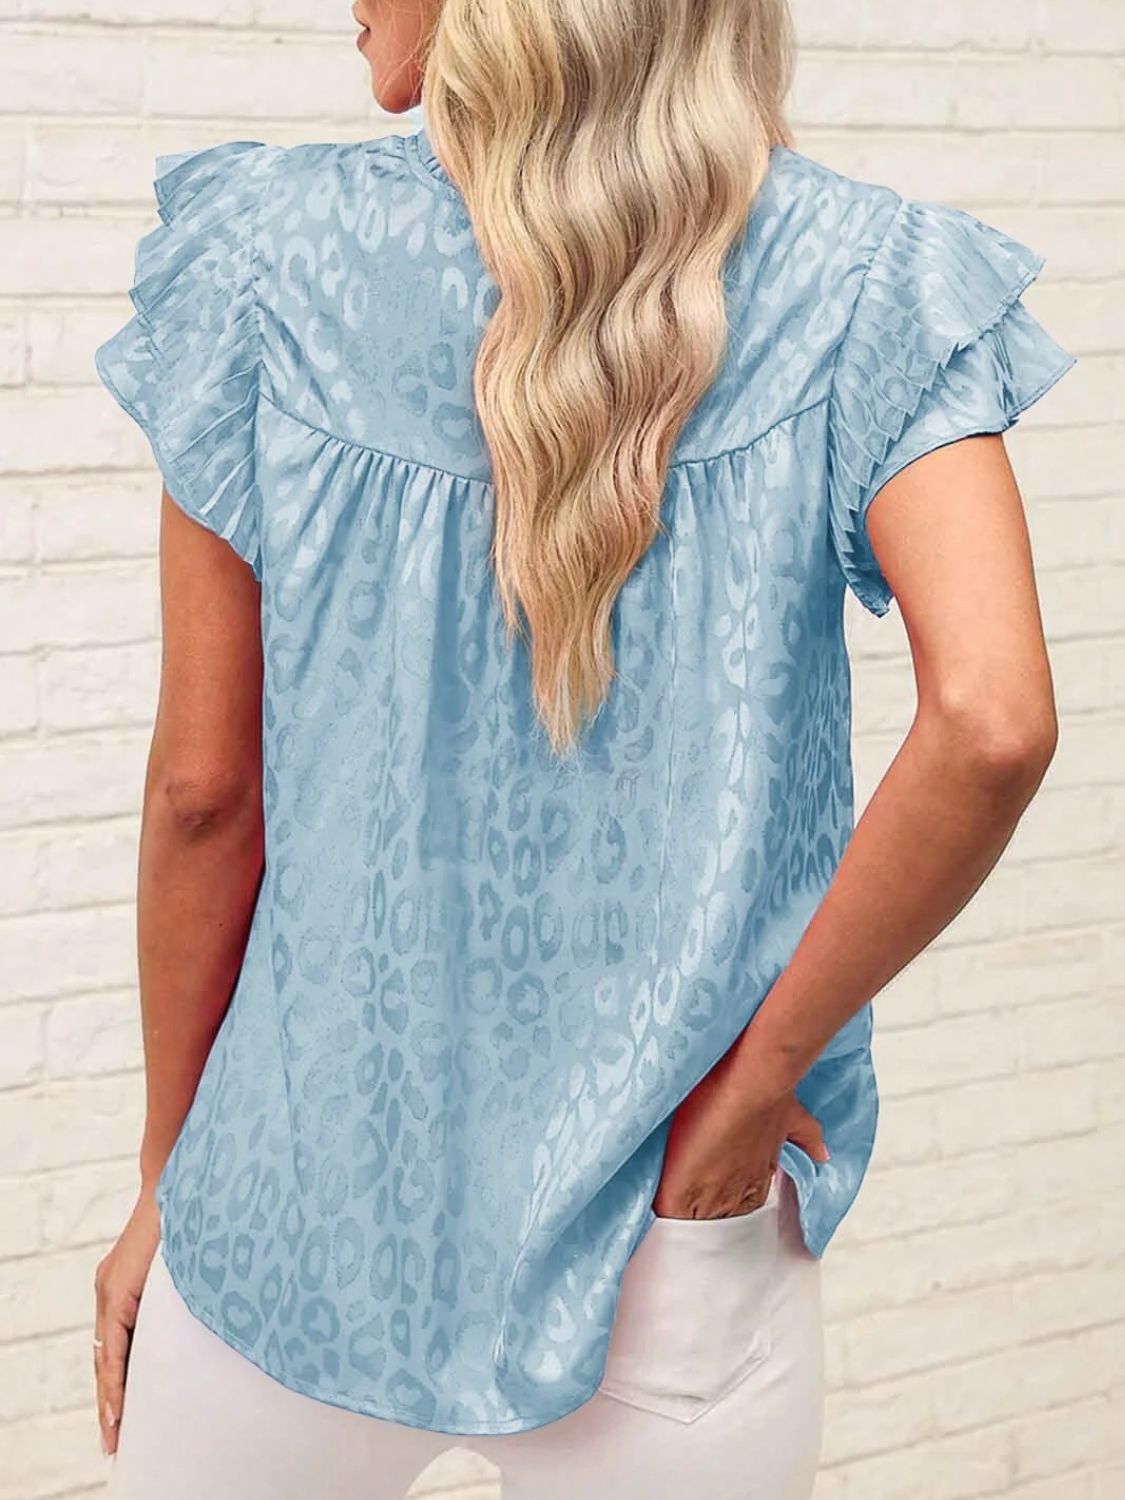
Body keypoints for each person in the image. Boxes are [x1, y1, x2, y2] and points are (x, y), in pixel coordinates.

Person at [89, 1, 1075, 1496]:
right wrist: (757, 1085)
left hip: (291, 1217)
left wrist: (170, 1175)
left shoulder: (267, 261)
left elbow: (205, 795)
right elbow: (992, 718)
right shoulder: (866, 279)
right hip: (669, 1244)